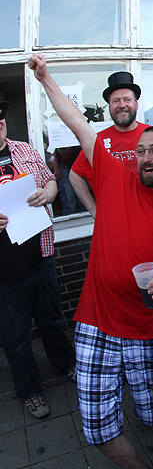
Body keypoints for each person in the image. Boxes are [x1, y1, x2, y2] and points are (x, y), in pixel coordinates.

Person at [28, 55, 153, 469]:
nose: (145, 157)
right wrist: (45, 77)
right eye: (140, 150)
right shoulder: (115, 175)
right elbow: (77, 123)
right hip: (97, 324)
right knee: (98, 429)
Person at [0, 100, 76, 420]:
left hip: (39, 258)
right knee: (16, 338)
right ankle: (29, 391)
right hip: (5, 274)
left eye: (0, 117)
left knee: (51, 320)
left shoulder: (25, 150)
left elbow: (50, 180)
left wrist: (49, 193)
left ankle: (66, 364)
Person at [69, 71, 149, 217]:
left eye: (127, 100)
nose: (122, 105)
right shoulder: (97, 141)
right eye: (116, 101)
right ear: (110, 106)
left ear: (136, 104)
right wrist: (94, 210)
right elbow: (74, 175)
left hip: (151, 216)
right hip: (115, 219)